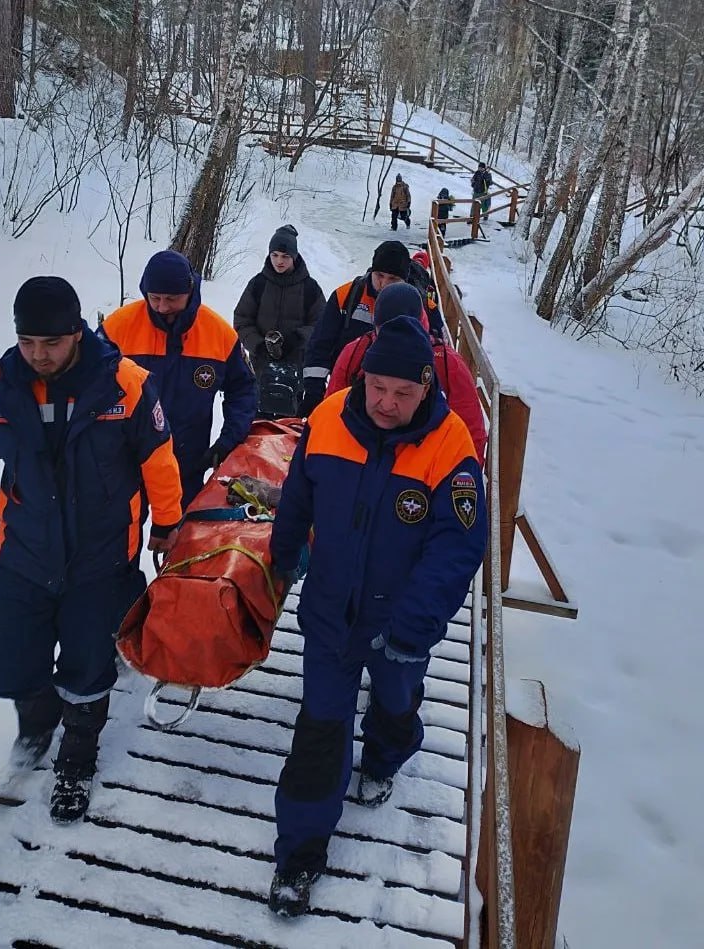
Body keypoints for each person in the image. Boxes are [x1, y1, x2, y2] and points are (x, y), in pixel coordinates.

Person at [0, 276, 184, 824]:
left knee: (88, 666)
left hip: (101, 556)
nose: (38, 355)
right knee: (10, 665)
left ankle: (78, 757)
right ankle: (36, 729)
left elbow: (159, 460)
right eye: (27, 344)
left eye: (51, 344)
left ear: (76, 333)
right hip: (25, 555)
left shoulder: (125, 385)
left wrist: (168, 526)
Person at [266, 316, 488, 916]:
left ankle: (387, 756)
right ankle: (300, 854)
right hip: (331, 613)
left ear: (425, 389)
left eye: (403, 392)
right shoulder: (331, 418)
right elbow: (297, 495)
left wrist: (415, 627)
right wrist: (283, 556)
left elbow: (460, 546)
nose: (387, 404)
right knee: (319, 727)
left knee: (394, 704)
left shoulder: (450, 445)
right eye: (377, 388)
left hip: (400, 622)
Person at [100, 250, 257, 508]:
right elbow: (89, 388)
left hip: (186, 462)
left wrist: (228, 440)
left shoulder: (218, 333)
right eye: (155, 298)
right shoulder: (118, 328)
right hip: (125, 461)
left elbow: (243, 390)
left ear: (190, 291)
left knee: (183, 542)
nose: (162, 307)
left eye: (171, 299)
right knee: (121, 544)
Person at [325, 283, 487, 465]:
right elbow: (330, 414)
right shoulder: (356, 352)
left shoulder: (447, 364)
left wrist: (459, 482)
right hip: (358, 463)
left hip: (422, 472)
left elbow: (470, 433)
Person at [301, 240, 443, 415]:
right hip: (346, 390)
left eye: (392, 279)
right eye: (379, 276)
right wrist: (314, 391)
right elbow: (319, 345)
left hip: (397, 403)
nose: (383, 284)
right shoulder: (345, 296)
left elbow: (437, 357)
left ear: (404, 279)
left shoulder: (424, 307)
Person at [233, 225, 325, 418]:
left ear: (294, 256)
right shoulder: (258, 284)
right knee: (257, 431)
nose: (279, 261)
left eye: (285, 256)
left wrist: (297, 339)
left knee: (288, 433)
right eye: (275, 255)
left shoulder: (310, 288)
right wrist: (258, 345)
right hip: (260, 370)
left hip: (295, 370)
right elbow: (242, 319)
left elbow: (320, 324)